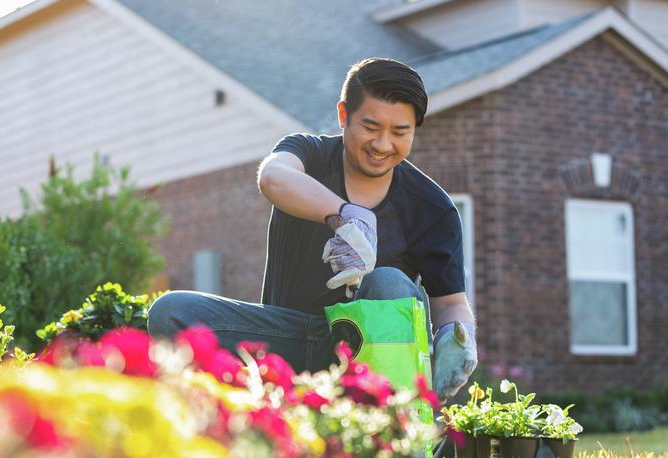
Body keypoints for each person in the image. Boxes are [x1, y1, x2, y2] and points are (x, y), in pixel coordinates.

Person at [148, 57, 477, 402]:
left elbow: (451, 302)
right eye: (370, 127)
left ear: (414, 129)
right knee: (172, 312)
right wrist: (345, 217)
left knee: (388, 281)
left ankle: (390, 432)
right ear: (343, 115)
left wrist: (459, 334)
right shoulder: (311, 154)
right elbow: (273, 178)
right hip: (282, 338)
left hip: (367, 352)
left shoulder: (432, 207)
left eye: (399, 132)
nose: (382, 144)